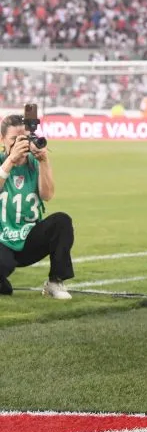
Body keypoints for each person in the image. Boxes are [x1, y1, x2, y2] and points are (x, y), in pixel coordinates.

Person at [0, 114, 75, 300]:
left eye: (24, 139)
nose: (20, 144)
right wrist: (11, 160)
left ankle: (55, 281)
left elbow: (47, 195)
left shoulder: (35, 164)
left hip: (29, 238)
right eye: (14, 139)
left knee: (62, 221)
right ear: (2, 139)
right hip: (2, 240)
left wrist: (44, 161)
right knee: (3, 273)